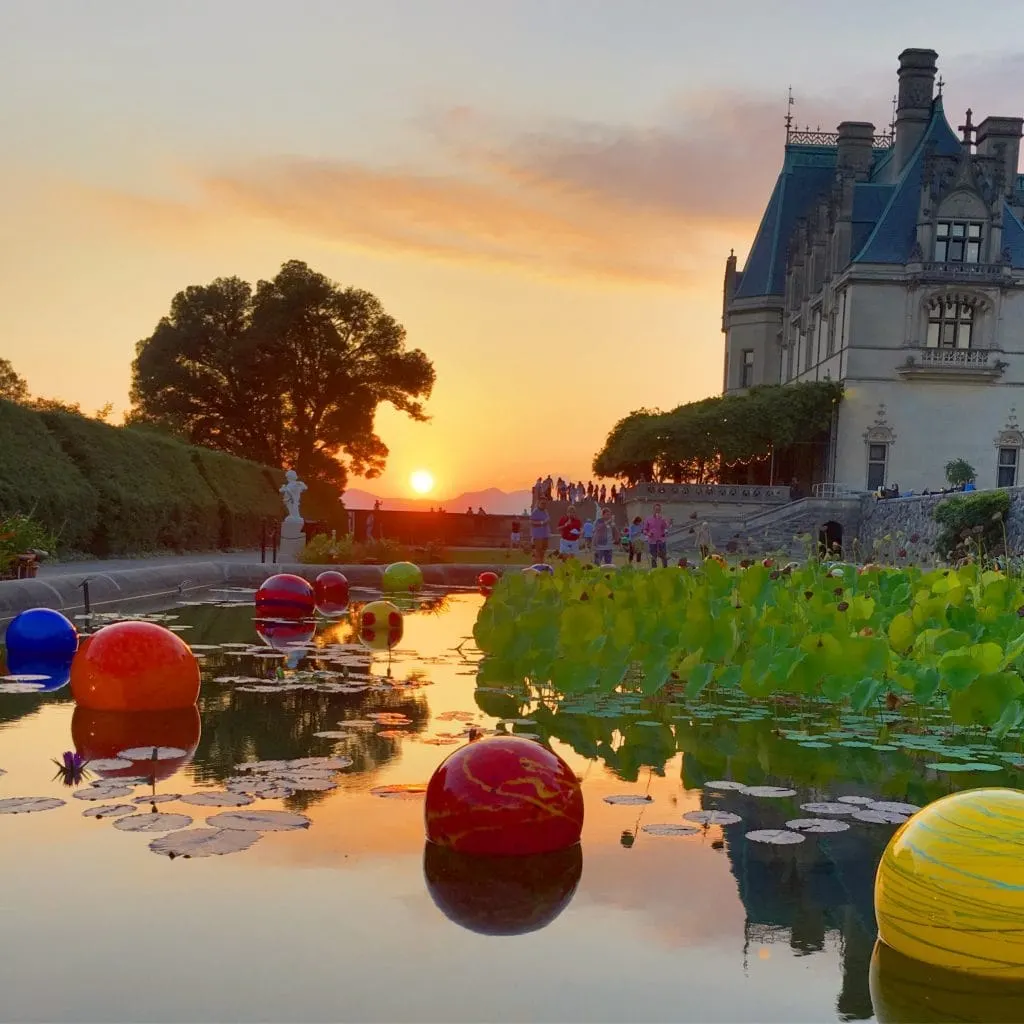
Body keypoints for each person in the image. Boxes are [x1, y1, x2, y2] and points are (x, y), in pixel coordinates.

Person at [644, 503, 671, 568]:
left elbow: (666, 528)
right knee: (653, 557)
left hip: (661, 540)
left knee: (664, 556)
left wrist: (667, 523)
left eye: (659, 509)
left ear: (660, 510)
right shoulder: (648, 519)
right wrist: (648, 534)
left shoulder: (662, 519)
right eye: (656, 509)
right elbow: (644, 530)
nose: (657, 511)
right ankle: (654, 570)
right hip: (652, 541)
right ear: (653, 510)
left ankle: (665, 569)